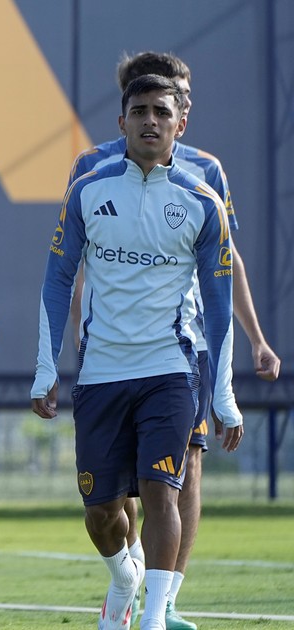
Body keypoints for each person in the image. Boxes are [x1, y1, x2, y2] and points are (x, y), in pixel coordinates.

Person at [66, 51, 281, 630]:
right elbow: (78, 257)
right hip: (112, 347)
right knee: (115, 494)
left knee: (178, 469)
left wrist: (256, 338)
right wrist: (82, 333)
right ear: (127, 106)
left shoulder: (206, 170)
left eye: (181, 98)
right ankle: (129, 575)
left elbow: (226, 261)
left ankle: (164, 604)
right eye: (160, 99)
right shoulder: (91, 167)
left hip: (187, 345)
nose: (172, 107)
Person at [33, 74, 244, 630]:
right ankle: (124, 578)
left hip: (171, 371)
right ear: (121, 121)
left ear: (181, 123)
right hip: (100, 373)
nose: (151, 120)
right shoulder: (88, 190)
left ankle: (152, 618)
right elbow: (56, 280)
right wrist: (45, 368)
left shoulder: (202, 201)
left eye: (162, 112)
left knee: (160, 492)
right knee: (101, 514)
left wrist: (223, 394)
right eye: (140, 110)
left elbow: (219, 307)